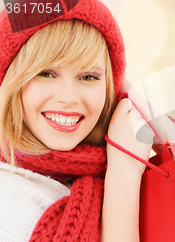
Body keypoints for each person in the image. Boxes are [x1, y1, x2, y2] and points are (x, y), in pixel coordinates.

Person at [0, 0, 154, 241]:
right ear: (9, 80)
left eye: (88, 76)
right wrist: (124, 172)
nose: (69, 98)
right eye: (46, 73)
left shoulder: (107, 171)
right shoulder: (9, 199)